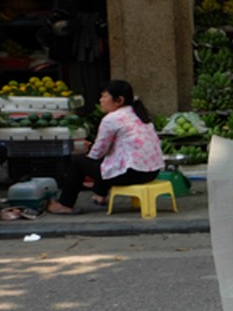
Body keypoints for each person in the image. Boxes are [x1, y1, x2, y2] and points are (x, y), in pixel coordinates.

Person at [46, 79, 163, 215]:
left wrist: (87, 161)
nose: (101, 100)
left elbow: (98, 152)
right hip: (152, 172)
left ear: (119, 100)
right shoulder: (139, 114)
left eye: (104, 96)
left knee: (79, 163)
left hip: (132, 173)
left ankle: (65, 204)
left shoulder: (112, 118)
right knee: (107, 162)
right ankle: (100, 195)